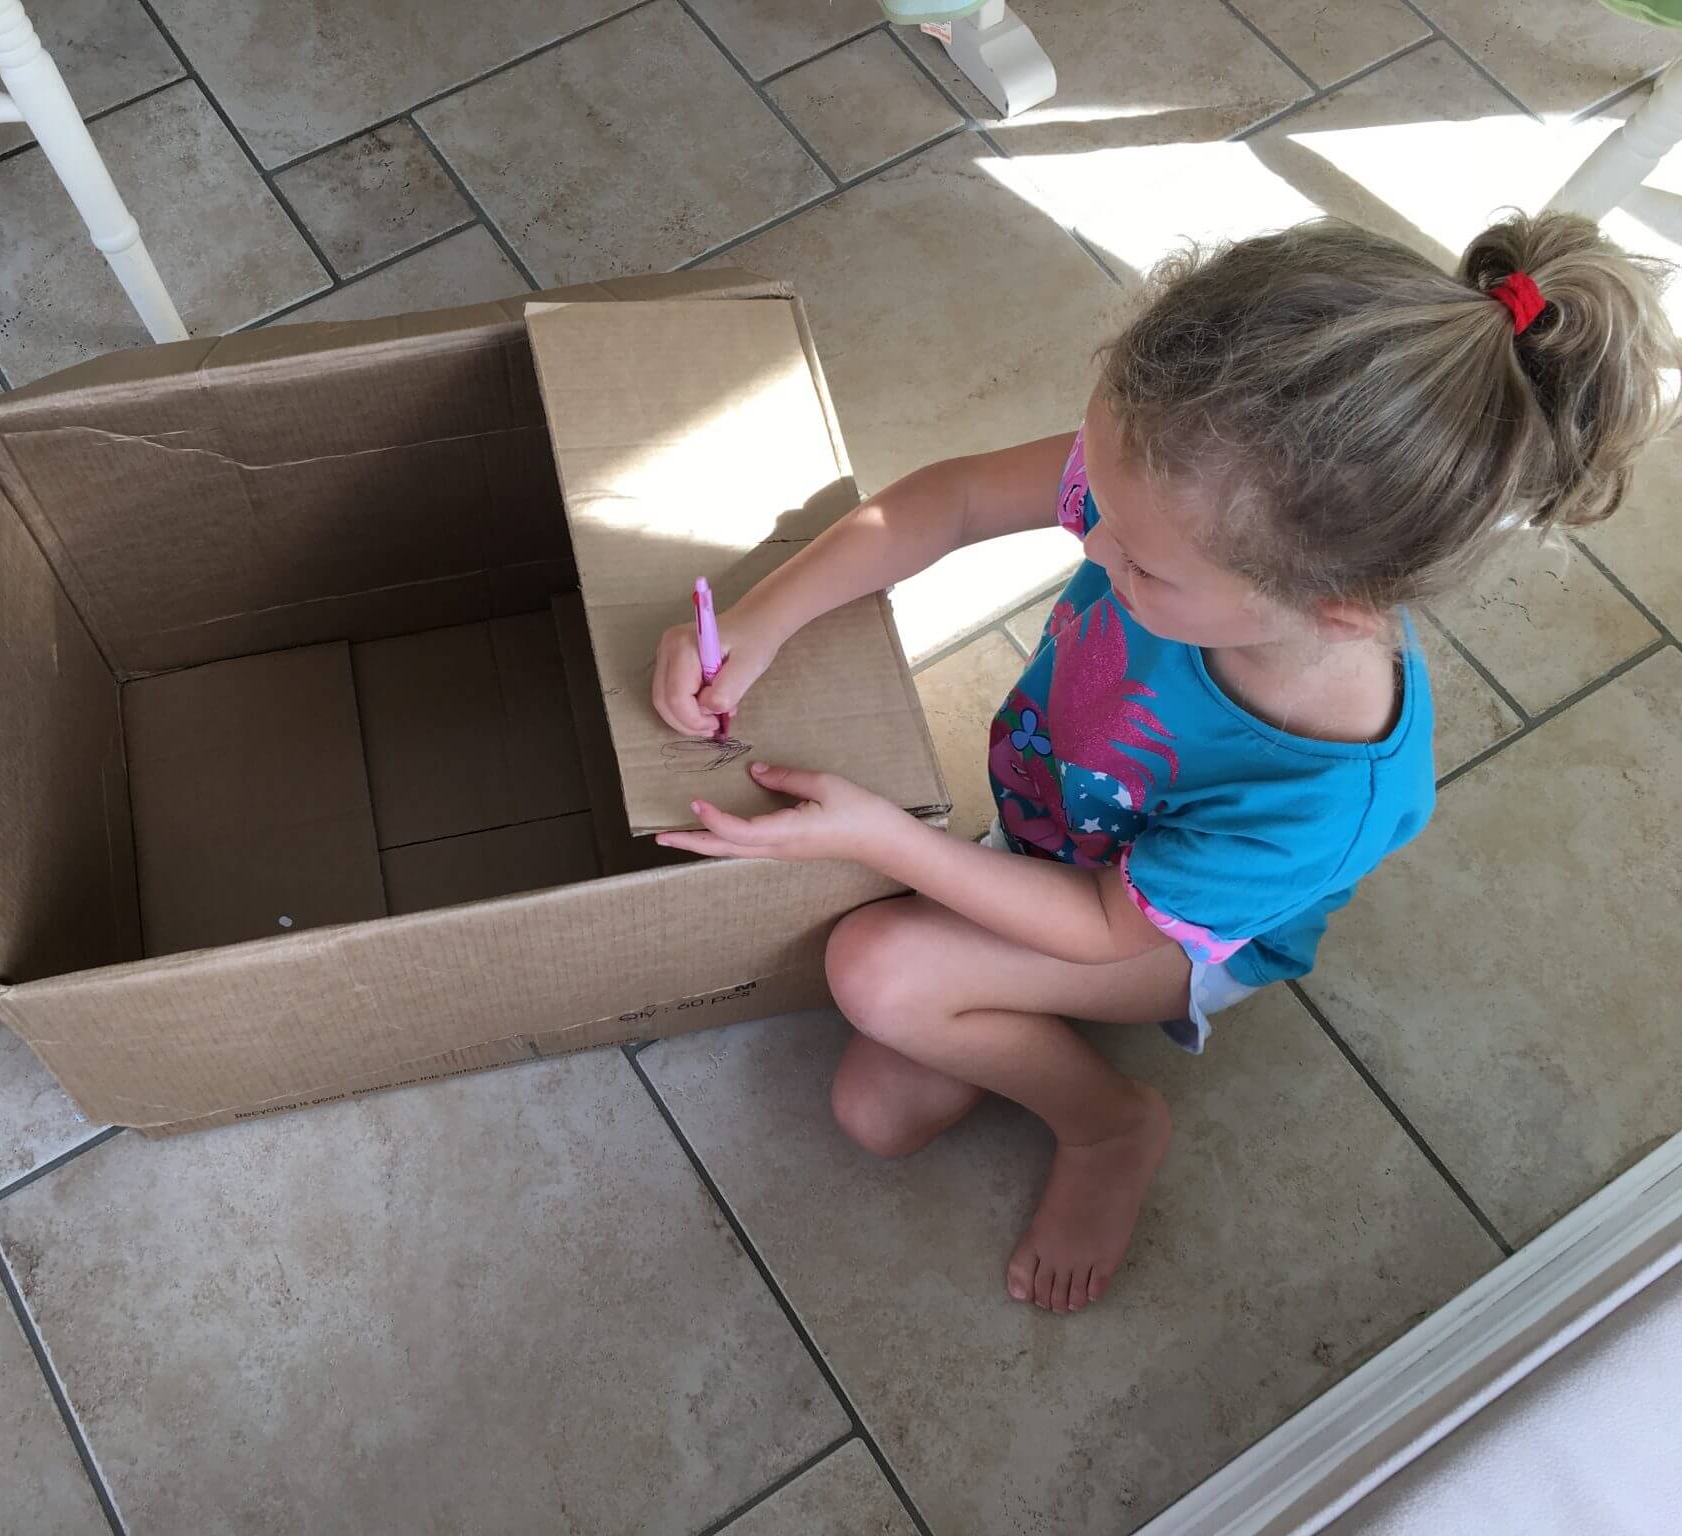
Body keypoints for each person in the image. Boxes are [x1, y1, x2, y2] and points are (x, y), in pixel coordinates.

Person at [649, 213, 1680, 1314]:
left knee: (875, 980)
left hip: (1161, 935)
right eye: (1101, 501)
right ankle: (1001, 1015)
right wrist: (763, 619)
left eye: (1135, 561)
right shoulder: (1178, 486)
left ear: (1330, 611)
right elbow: (947, 500)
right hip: (1054, 839)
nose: (1088, 540)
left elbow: (1105, 925)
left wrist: (881, 838)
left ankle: (1106, 1124)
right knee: (880, 1108)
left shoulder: (1326, 785)